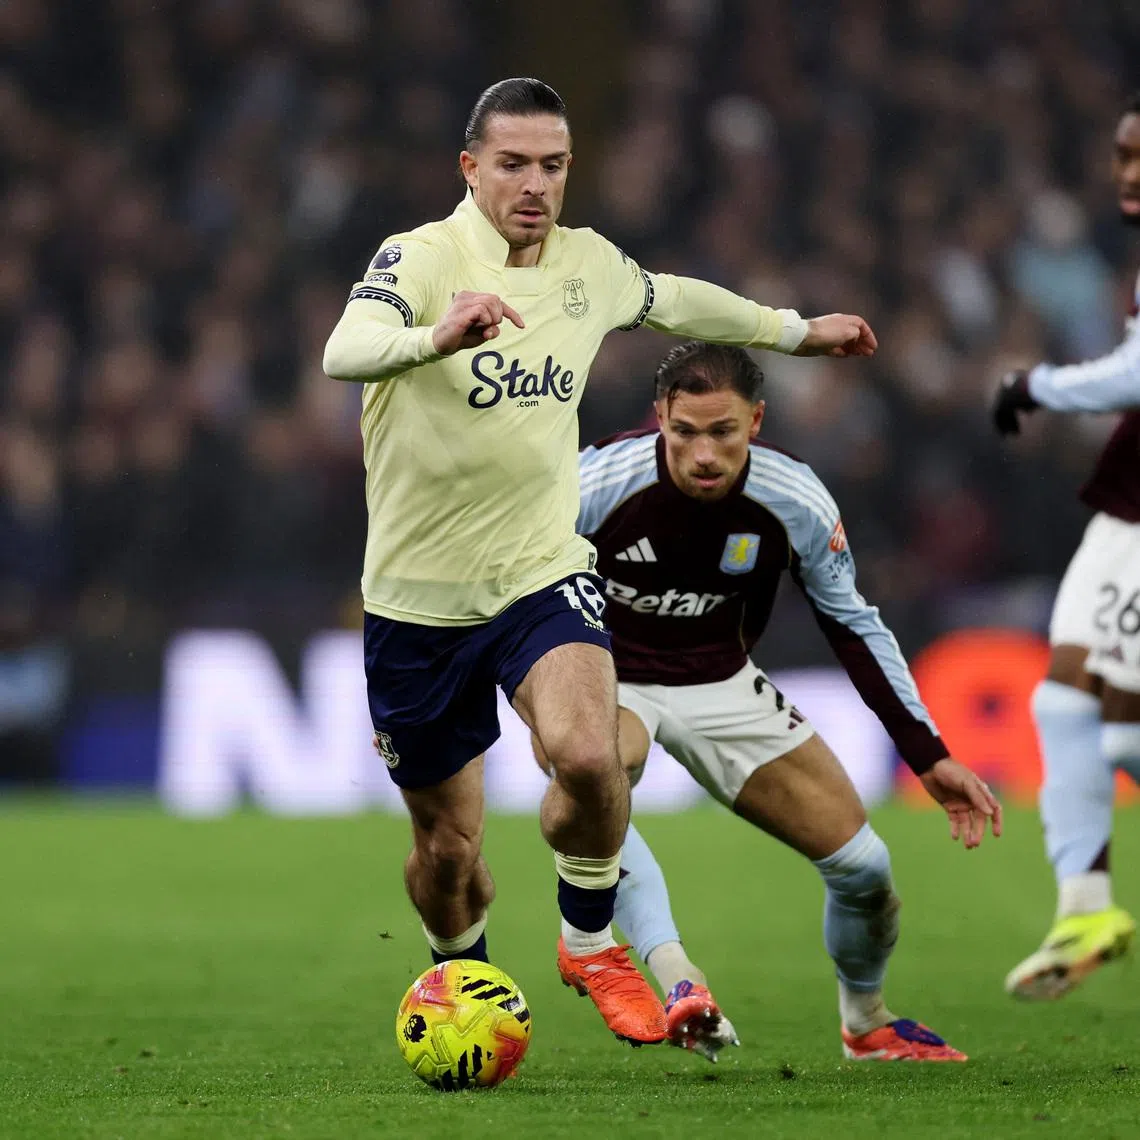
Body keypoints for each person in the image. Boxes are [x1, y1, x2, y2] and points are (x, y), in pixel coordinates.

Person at [322, 77, 877, 1046]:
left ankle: (587, 940)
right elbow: (346, 347)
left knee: (586, 753)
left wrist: (795, 331)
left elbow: (678, 303)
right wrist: (431, 337)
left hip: (540, 573)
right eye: (513, 164)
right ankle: (465, 981)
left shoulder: (590, 266)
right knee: (448, 852)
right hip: (417, 603)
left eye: (552, 165)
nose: (534, 184)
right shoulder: (418, 257)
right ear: (471, 169)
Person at [537, 340, 1000, 1062]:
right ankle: (677, 978)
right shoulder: (595, 483)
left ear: (756, 420)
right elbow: (503, 581)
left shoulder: (795, 498)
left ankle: (867, 1022)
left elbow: (851, 622)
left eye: (722, 431)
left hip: (721, 680)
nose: (702, 454)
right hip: (601, 673)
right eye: (684, 431)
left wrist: (928, 755)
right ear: (660, 416)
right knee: (596, 773)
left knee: (865, 869)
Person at [991, 91, 1140, 1001]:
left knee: (1118, 723)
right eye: (1122, 155)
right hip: (1127, 499)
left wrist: (1033, 382)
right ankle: (1086, 905)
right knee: (1065, 701)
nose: (1126, 174)